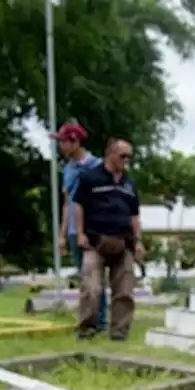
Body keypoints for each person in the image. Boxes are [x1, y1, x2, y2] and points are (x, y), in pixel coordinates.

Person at [71, 137, 144, 341]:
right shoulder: (89, 177)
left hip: (123, 243)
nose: (126, 160)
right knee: (91, 289)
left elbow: (135, 215)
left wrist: (138, 241)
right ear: (110, 154)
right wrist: (80, 233)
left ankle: (119, 333)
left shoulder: (129, 183)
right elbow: (77, 206)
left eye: (129, 157)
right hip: (95, 241)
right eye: (123, 156)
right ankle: (87, 330)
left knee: (125, 292)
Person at [52, 122, 105, 326]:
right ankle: (87, 319)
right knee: (84, 277)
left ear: (74, 141)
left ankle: (100, 320)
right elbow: (67, 203)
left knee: (95, 277)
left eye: (63, 142)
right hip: (74, 230)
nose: (60, 147)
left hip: (92, 229)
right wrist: (62, 235)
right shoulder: (68, 169)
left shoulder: (97, 166)